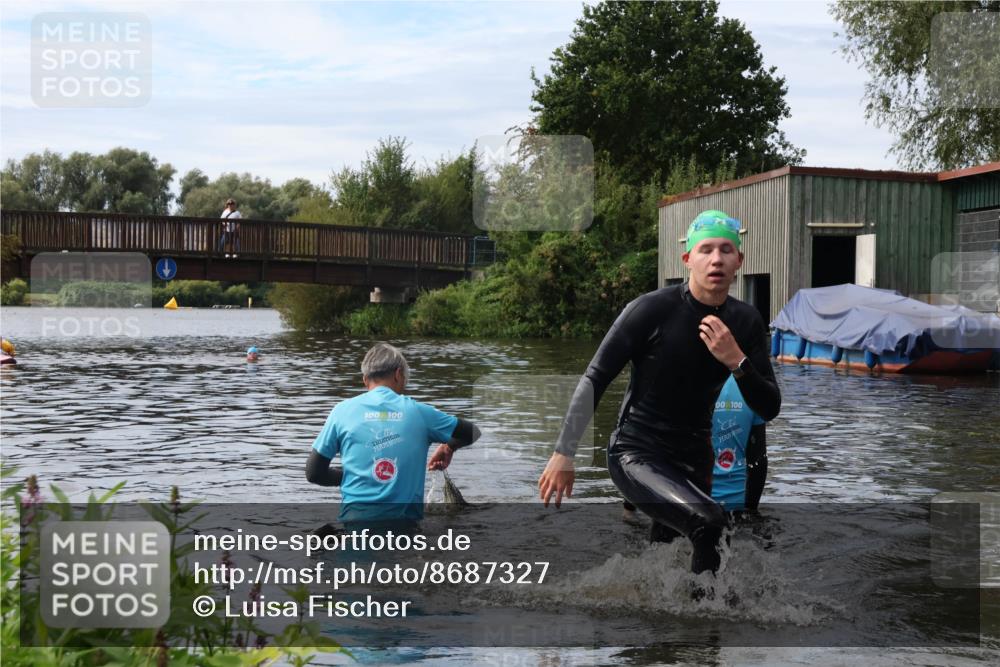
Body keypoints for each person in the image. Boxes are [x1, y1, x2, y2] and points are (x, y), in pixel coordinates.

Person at [538, 210, 780, 574]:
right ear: (688, 260)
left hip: (695, 458)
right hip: (636, 452)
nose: (716, 259)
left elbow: (770, 406)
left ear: (739, 261)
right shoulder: (650, 310)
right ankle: (705, 624)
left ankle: (660, 620)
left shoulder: (746, 322)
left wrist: (737, 361)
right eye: (706, 249)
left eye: (726, 250)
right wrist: (563, 452)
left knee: (672, 558)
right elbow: (594, 378)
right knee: (709, 522)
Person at [306, 343, 481, 523]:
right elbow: (471, 432)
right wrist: (448, 447)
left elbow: (314, 473)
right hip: (405, 527)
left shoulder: (341, 411)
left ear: (365, 379)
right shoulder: (419, 412)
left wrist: (351, 474)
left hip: (354, 524)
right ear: (398, 374)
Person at [622, 374, 768, 525]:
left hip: (683, 505)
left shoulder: (672, 382)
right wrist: (750, 512)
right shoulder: (750, 387)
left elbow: (643, 451)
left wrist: (629, 508)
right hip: (733, 510)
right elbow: (758, 461)